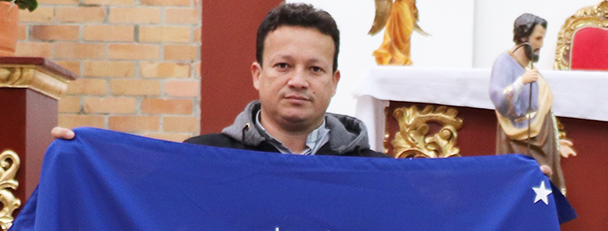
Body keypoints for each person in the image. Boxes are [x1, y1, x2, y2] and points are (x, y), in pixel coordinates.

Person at [52, 2, 386, 158]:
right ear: (257, 74)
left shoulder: (375, 176)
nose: (298, 81)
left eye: (314, 69)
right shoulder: (200, 159)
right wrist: (80, 156)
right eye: (283, 66)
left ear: (334, 81)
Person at [489, 14, 577, 192]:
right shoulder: (504, 62)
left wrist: (556, 143)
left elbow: (542, 110)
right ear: (523, 38)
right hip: (518, 143)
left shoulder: (528, 67)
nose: (541, 44)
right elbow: (499, 98)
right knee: (523, 191)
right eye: (538, 38)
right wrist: (521, 82)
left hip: (541, 142)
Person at [369, 0, 424, 66]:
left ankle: (401, 56)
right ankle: (395, 57)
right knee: (404, 31)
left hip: (409, 6)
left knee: (408, 31)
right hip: (401, 8)